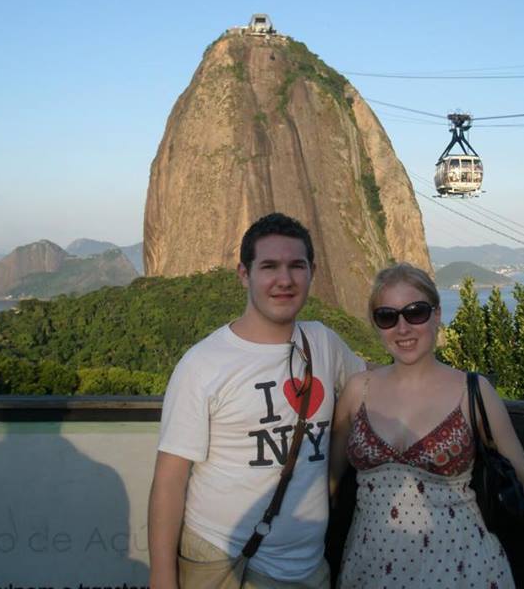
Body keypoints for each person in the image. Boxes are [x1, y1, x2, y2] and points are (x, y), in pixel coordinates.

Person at [148, 213, 366, 589]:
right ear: (244, 274)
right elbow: (169, 480)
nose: (285, 280)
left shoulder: (324, 344)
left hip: (308, 567)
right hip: (224, 561)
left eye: (296, 266)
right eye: (269, 266)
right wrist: (162, 578)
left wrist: (455, 384)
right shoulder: (203, 364)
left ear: (312, 272)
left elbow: (378, 381)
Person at [329, 263, 524, 589]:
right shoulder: (358, 391)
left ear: (437, 314)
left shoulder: (473, 392)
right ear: (377, 325)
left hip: (464, 570)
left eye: (415, 312)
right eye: (388, 316)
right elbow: (329, 482)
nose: (403, 327)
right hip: (369, 571)